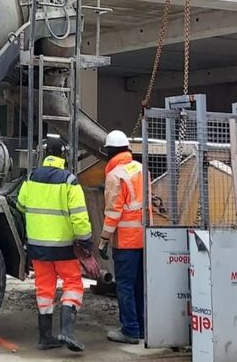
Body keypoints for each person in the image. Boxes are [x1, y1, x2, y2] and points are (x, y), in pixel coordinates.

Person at [16, 136, 92, 352]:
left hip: (38, 248)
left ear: (45, 155)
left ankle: (45, 337)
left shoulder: (31, 178)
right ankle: (67, 331)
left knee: (44, 288)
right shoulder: (69, 180)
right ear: (63, 156)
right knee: (73, 284)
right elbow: (79, 215)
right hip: (64, 248)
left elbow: (21, 205)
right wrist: (85, 240)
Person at [98, 129, 146, 345]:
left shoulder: (115, 175)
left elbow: (113, 213)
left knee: (124, 286)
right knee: (138, 285)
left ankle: (129, 330)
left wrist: (103, 240)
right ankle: (142, 328)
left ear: (109, 151)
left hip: (126, 241)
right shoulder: (140, 169)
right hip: (145, 238)